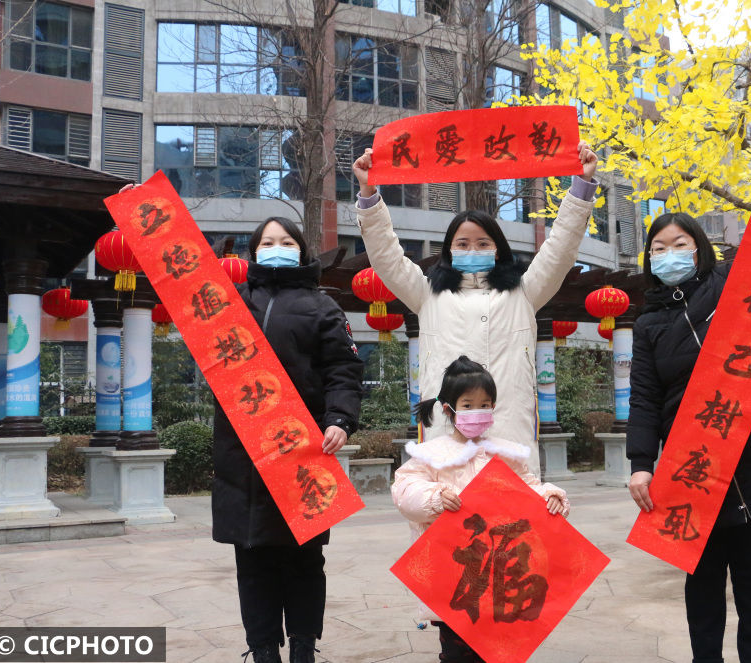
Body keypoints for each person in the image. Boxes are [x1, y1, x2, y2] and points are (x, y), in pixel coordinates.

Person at [626, 212, 751, 663]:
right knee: (700, 574)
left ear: (699, 247)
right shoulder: (648, 325)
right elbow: (643, 398)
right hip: (694, 462)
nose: (668, 255)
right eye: (657, 249)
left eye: (678, 245)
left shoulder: (732, 287)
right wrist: (641, 463)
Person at [352, 142, 599, 472]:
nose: (473, 248)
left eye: (483, 243)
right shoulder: (427, 295)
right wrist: (368, 194)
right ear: (449, 250)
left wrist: (581, 188)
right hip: (446, 439)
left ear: (498, 250)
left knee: (511, 521)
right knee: (445, 514)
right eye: (463, 243)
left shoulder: (524, 293)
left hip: (510, 437)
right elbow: (386, 256)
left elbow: (559, 250)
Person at [211, 217, 364, 663]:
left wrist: (339, 418)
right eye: (267, 242)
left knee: (305, 558)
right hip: (243, 453)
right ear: (253, 252)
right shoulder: (232, 304)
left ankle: (302, 645)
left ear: (301, 249)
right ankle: (261, 649)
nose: (276, 248)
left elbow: (344, 370)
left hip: (303, 447)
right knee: (252, 558)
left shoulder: (323, 307)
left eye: (286, 241)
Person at [392, 355, 570, 662]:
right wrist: (434, 498)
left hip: (499, 574)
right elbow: (404, 490)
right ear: (449, 409)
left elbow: (527, 486)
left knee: (499, 648)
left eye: (486, 404)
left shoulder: (504, 453)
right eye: (469, 404)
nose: (479, 412)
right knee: (457, 650)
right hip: (455, 577)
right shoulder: (431, 455)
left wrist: (550, 497)